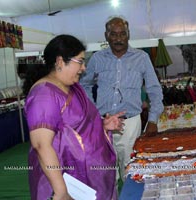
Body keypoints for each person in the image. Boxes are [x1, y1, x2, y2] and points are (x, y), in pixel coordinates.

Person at [23, 35, 125, 200]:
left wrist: (103, 125)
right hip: (62, 180)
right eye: (80, 61)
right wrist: (61, 191)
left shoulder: (71, 88)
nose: (84, 68)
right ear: (61, 61)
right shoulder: (44, 95)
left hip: (84, 178)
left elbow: (79, 125)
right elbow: (41, 145)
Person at [80, 16, 164, 181]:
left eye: (122, 34)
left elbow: (154, 89)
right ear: (106, 35)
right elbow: (84, 84)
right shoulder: (97, 58)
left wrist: (153, 120)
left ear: (128, 34)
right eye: (113, 34)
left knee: (131, 171)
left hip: (130, 124)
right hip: (103, 124)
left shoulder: (141, 58)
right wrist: (93, 112)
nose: (118, 38)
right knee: (106, 174)